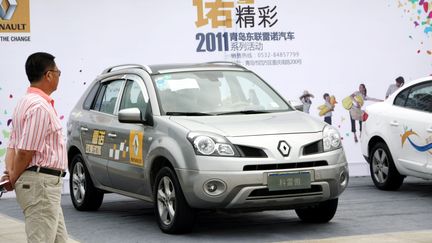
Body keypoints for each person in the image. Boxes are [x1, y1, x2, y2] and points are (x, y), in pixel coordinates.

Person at [0, 52, 69, 242]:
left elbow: (13, 145)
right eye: (58, 72)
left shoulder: (24, 102)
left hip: (43, 186)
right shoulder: (39, 106)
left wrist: (13, 173)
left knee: (58, 240)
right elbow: (25, 151)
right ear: (48, 75)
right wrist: (13, 177)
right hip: (41, 186)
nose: (58, 76)